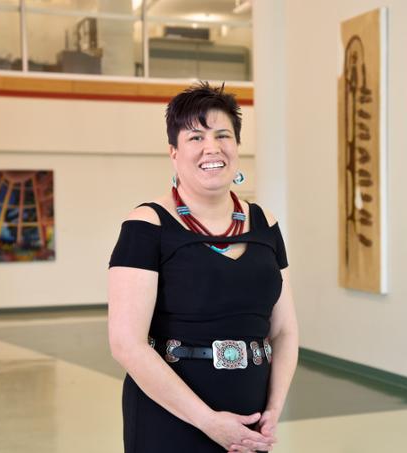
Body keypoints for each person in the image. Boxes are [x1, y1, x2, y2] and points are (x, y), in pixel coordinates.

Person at [108, 82, 298, 453]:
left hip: (249, 426)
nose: (212, 147)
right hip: (169, 421)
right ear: (174, 153)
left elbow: (285, 331)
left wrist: (273, 409)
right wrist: (208, 421)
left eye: (223, 135)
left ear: (237, 148)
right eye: (195, 137)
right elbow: (126, 344)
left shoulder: (266, 224)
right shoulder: (146, 225)